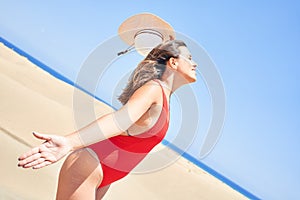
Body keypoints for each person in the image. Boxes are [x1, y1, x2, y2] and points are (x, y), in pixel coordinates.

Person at [17, 39, 197, 200]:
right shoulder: (154, 89)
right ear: (173, 62)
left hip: (105, 175)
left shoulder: (164, 97)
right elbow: (119, 121)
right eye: (189, 58)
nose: (194, 63)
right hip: (88, 166)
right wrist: (69, 142)